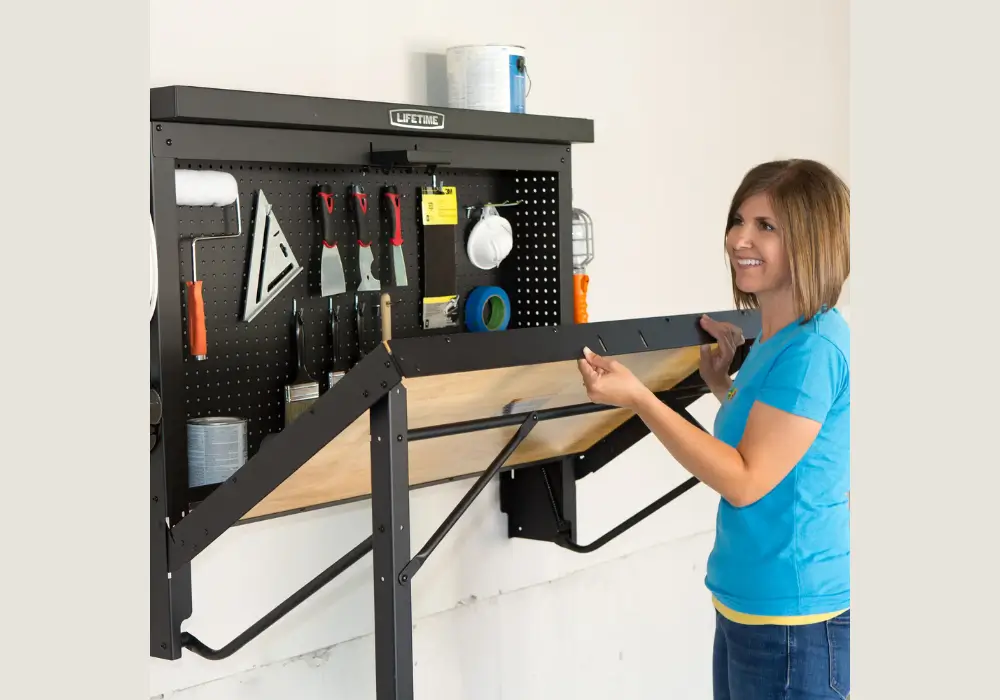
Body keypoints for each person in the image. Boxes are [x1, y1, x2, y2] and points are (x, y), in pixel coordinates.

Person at [576, 159, 850, 699]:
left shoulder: (812, 349)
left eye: (766, 226)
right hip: (751, 606)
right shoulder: (780, 339)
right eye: (739, 220)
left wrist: (641, 397)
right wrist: (722, 386)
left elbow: (746, 479)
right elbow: (777, 441)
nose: (738, 238)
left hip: (794, 623)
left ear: (811, 240)